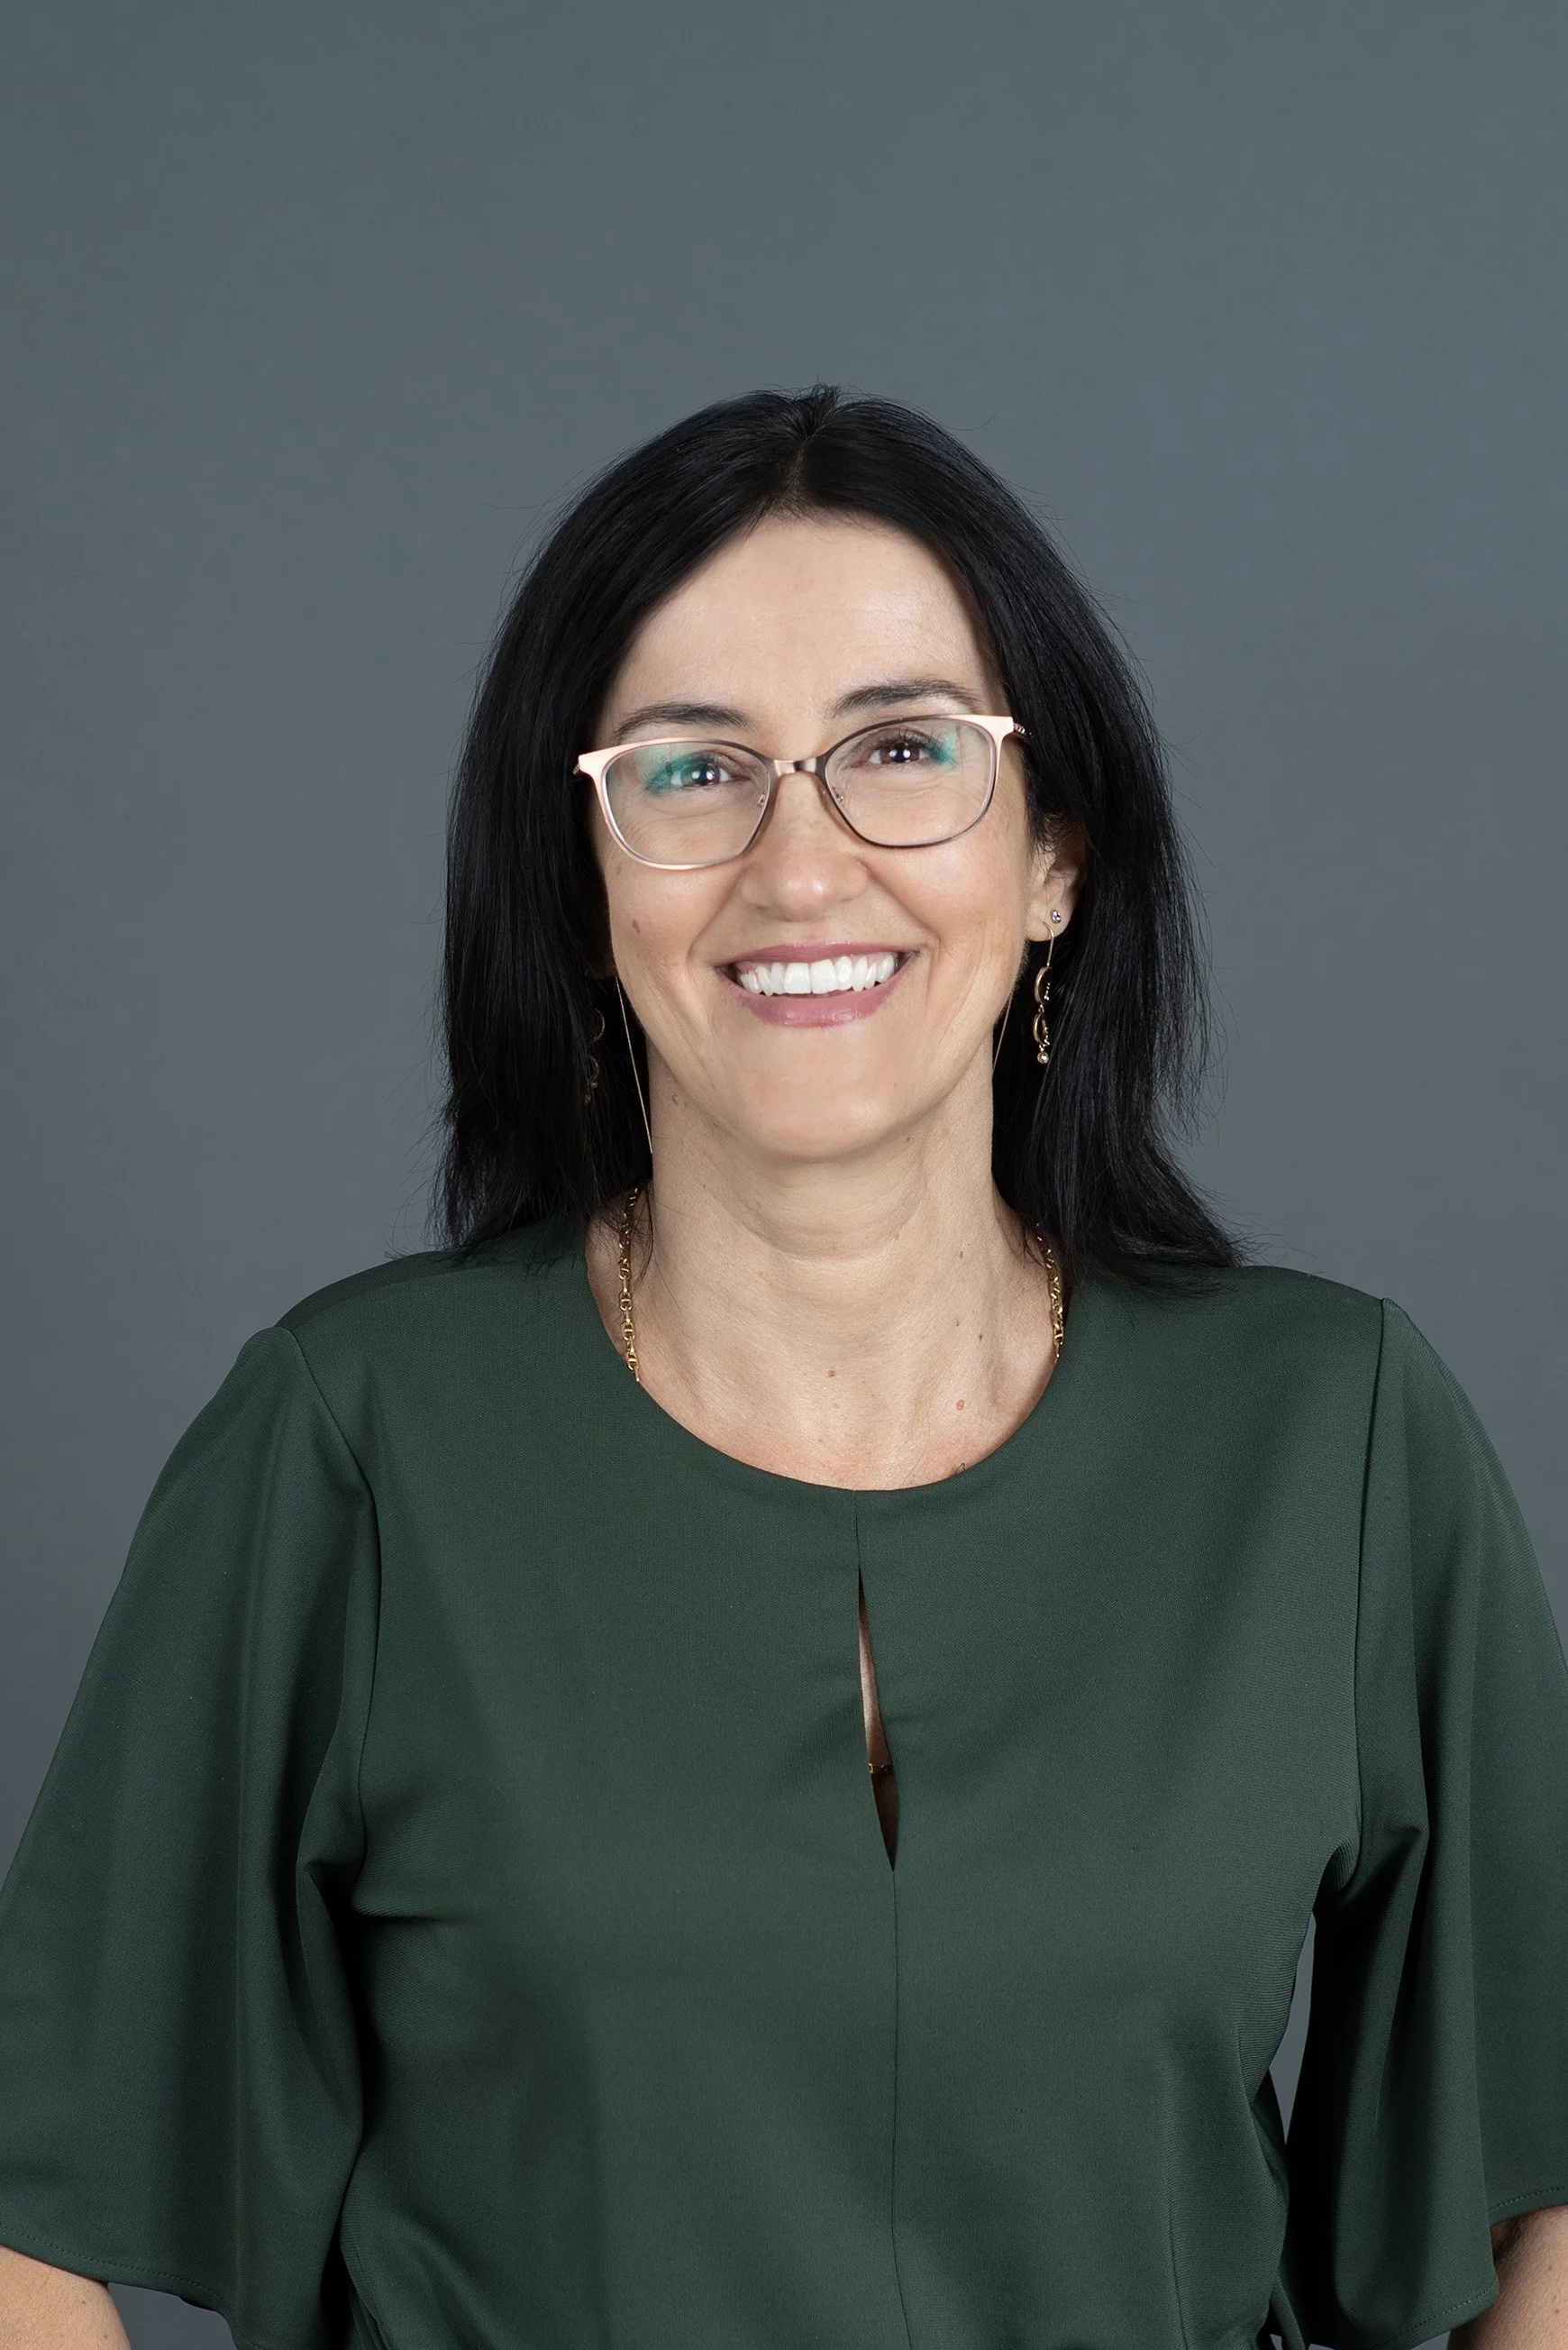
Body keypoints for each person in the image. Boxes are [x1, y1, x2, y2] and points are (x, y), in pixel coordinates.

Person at [0, 387, 1564, 2350]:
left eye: (905, 749)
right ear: (581, 876)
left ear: (1058, 854)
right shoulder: (353, 1449)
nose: (800, 866)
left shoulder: (1330, 1441)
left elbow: (1546, 2199)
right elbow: (25, 2213)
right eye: (690, 768)